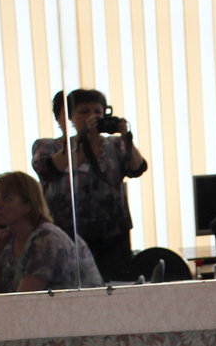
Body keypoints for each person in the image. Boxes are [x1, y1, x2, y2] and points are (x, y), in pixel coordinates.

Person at [31, 88, 148, 282]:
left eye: (97, 112)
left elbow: (137, 168)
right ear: (69, 116)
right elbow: (49, 169)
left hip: (113, 234)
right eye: (84, 111)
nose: (92, 116)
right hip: (68, 234)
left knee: (117, 287)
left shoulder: (115, 144)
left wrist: (126, 136)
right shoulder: (49, 146)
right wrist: (83, 139)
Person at [0, 171, 102, 294]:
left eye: (6, 198)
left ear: (27, 206)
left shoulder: (46, 240)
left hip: (81, 304)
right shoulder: (6, 241)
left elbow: (23, 299)